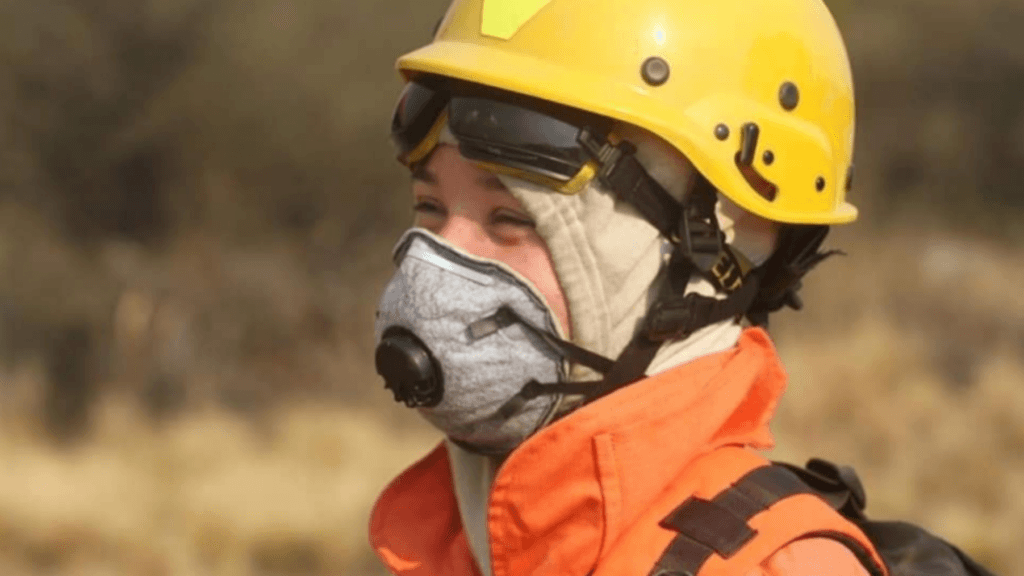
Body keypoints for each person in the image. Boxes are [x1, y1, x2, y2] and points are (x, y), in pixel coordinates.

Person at [368, 1, 886, 575]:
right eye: (430, 208)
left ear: (720, 247)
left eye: (513, 221)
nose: (441, 262)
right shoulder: (451, 542)